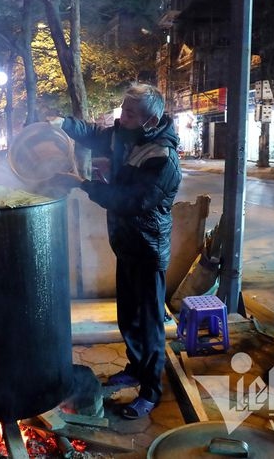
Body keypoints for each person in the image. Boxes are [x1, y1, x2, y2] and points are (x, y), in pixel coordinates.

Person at [50, 83, 182, 419]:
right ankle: (134, 369)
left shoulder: (161, 156)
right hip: (126, 243)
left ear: (150, 121)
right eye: (122, 109)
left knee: (150, 324)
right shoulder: (126, 133)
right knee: (128, 316)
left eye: (130, 113)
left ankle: (151, 392)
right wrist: (61, 124)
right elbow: (94, 133)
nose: (122, 117)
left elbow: (131, 202)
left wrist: (82, 184)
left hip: (147, 247)